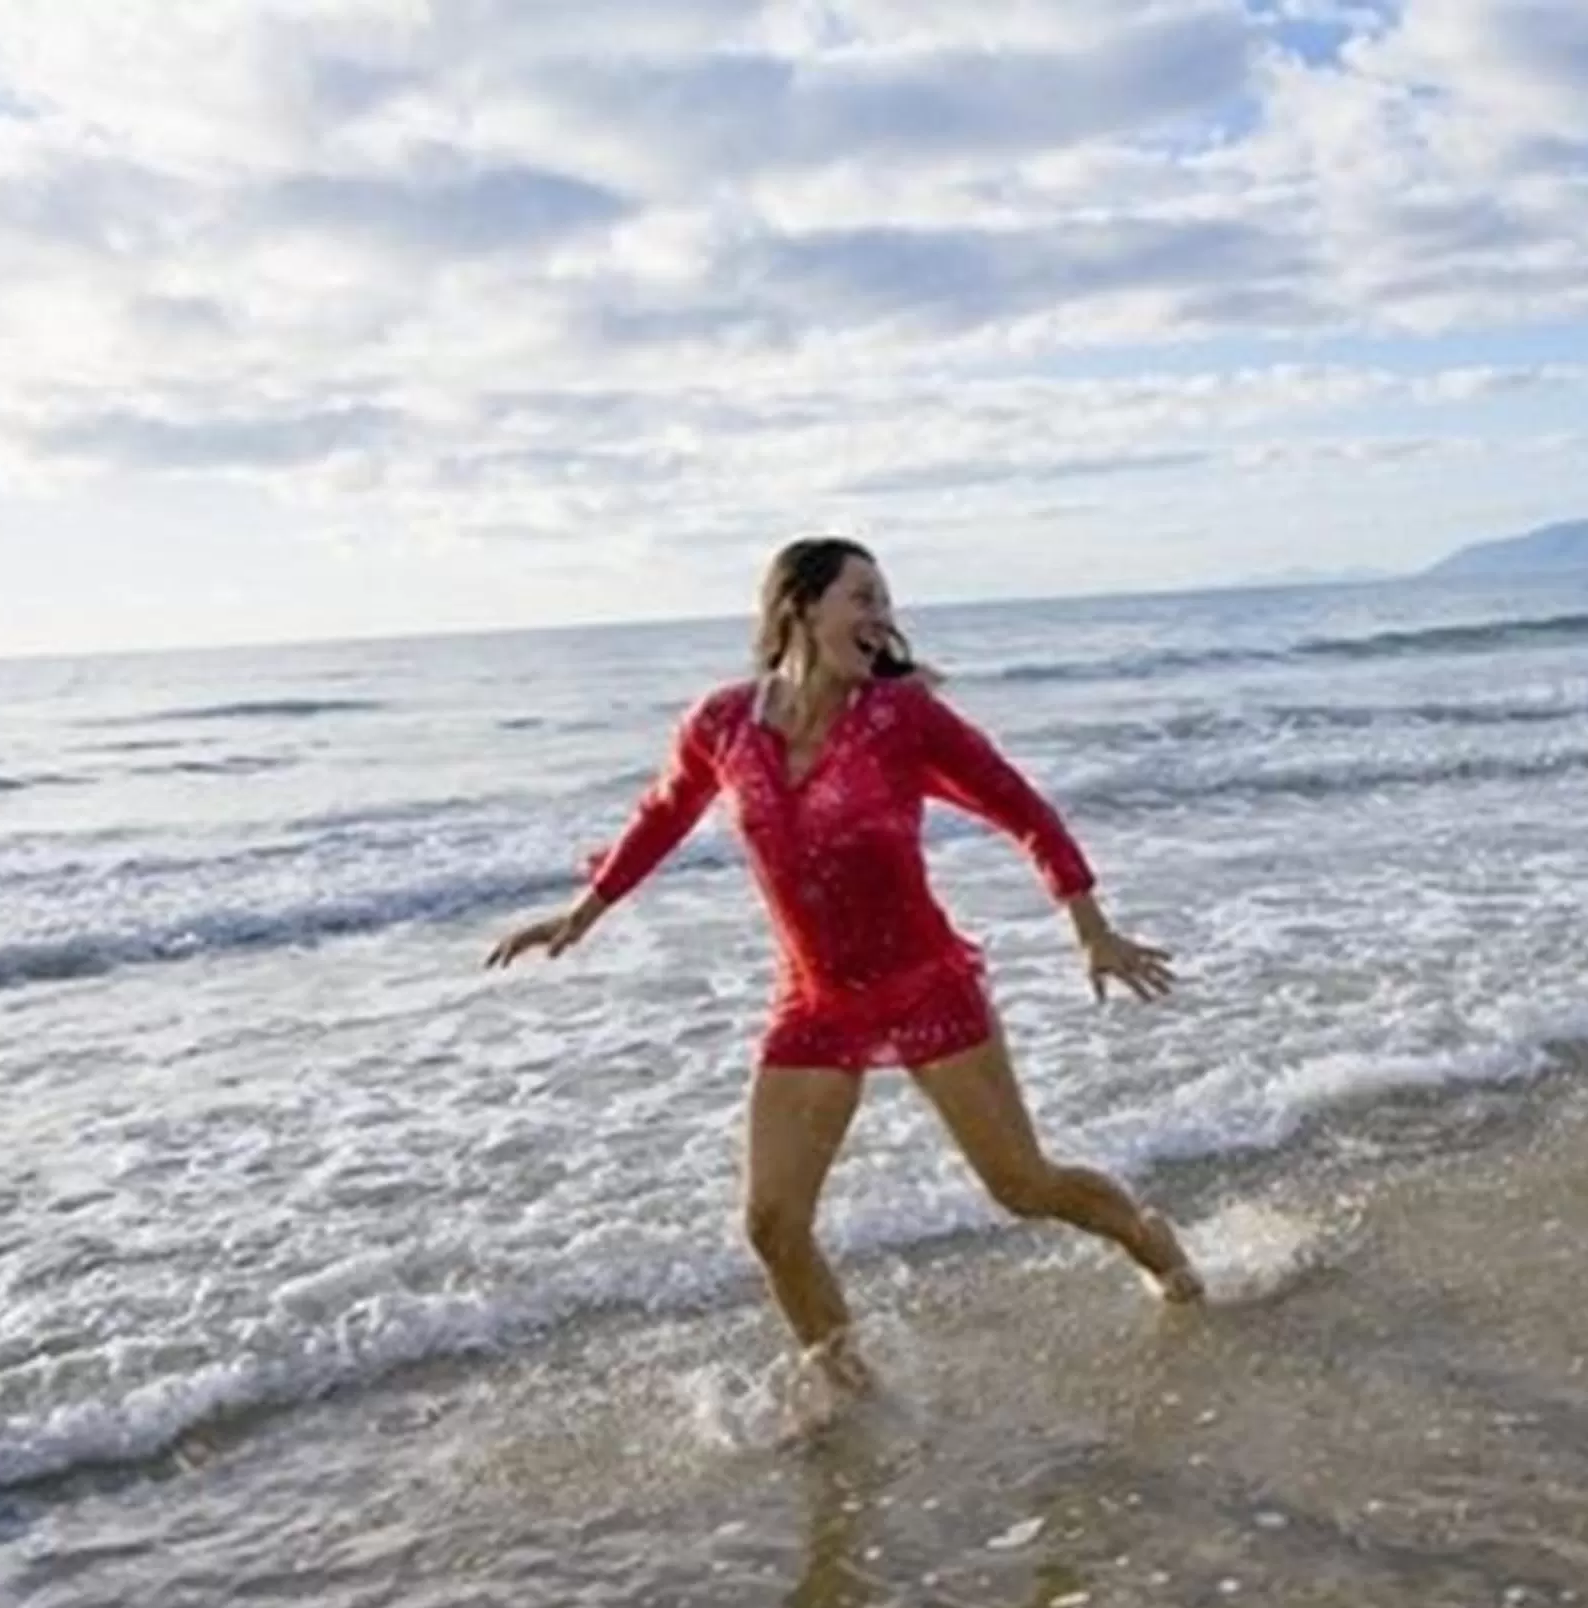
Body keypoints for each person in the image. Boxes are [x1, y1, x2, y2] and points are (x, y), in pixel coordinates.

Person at [488, 536, 1202, 1419]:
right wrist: (583, 913)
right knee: (772, 1225)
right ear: (800, 605)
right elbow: (664, 812)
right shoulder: (721, 723)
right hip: (815, 1002)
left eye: (885, 602)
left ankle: (1145, 1235)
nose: (880, 618)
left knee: (1021, 1186)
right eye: (862, 597)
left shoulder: (903, 719)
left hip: (924, 984)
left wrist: (1090, 929)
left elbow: (1022, 809)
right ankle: (850, 1392)